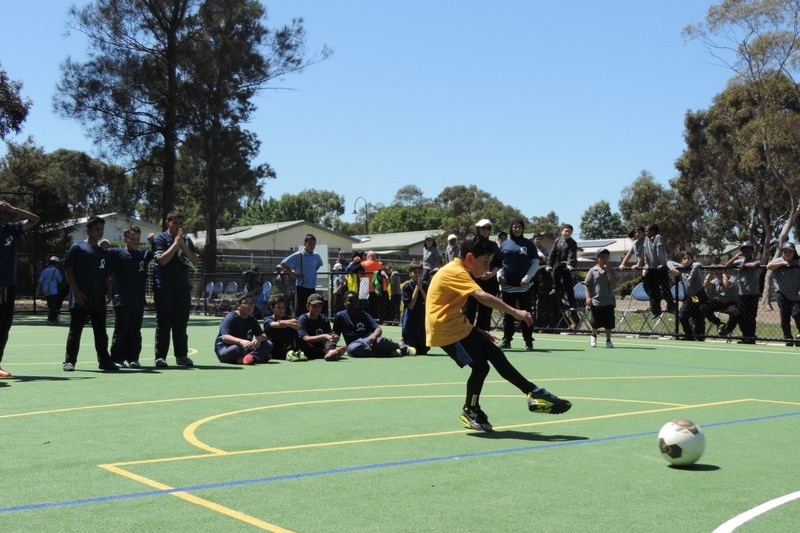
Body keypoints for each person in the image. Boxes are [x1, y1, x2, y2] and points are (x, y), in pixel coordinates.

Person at [425, 233, 572, 432]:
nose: (487, 268)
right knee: (481, 367)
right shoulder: (456, 271)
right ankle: (470, 409)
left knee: (496, 354)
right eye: (485, 262)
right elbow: (483, 297)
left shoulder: (458, 270)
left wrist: (475, 330)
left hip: (457, 325)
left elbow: (448, 307)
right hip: (446, 331)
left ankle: (533, 392)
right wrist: (515, 312)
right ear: (469, 258)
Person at [62, 216, 116, 372]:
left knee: (101, 333)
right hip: (80, 299)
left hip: (98, 299)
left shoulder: (103, 252)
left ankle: (104, 361)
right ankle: (69, 361)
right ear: (88, 230)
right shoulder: (77, 247)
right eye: (96, 229)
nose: (99, 232)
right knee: (75, 331)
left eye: (101, 229)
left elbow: (107, 275)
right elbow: (69, 270)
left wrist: (109, 291)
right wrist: (76, 292)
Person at [152, 210, 200, 368]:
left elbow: (195, 261)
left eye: (180, 223)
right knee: (164, 323)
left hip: (182, 287)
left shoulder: (186, 240)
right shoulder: (160, 239)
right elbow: (162, 261)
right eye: (175, 223)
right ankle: (160, 357)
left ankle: (181, 355)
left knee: (181, 324)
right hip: (164, 287)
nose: (178, 226)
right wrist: (175, 243)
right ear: (168, 223)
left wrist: (183, 245)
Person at [0, 200, 39, 378]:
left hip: (8, 284)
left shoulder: (11, 229)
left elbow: (35, 220)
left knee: (4, 326)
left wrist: (13, 208)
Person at [106, 226, 154, 368]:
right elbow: (101, 251)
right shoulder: (116, 254)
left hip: (138, 300)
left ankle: (133, 358)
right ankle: (117, 358)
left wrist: (152, 241)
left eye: (138, 239)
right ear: (125, 239)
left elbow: (155, 253)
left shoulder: (143, 254)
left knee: (135, 331)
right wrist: (104, 244)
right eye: (132, 239)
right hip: (121, 300)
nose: (135, 241)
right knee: (121, 330)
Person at [333, 290, 415, 357]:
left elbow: (378, 329)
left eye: (355, 301)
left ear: (358, 302)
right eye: (350, 301)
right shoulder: (339, 316)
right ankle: (388, 353)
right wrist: (333, 348)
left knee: (381, 341)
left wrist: (374, 336)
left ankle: (402, 348)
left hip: (369, 340)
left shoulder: (364, 314)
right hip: (355, 344)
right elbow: (336, 335)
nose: (353, 303)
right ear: (344, 302)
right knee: (351, 350)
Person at [497, 218, 538, 351]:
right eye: (514, 227)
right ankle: (507, 340)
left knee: (526, 314)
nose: (517, 229)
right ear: (511, 228)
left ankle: (528, 341)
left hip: (524, 287)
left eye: (519, 227)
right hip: (507, 287)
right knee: (508, 314)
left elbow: (535, 263)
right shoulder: (504, 245)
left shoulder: (529, 244)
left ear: (522, 229)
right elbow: (499, 265)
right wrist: (499, 276)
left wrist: (527, 277)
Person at [463, 219, 501, 332]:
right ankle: (465, 337)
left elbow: (499, 262)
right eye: (483, 228)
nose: (486, 230)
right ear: (478, 229)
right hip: (472, 281)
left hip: (489, 282)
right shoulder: (470, 243)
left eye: (488, 228)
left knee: (485, 313)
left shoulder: (494, 245)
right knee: (468, 310)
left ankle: (483, 340)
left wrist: (492, 273)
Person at [720, 241, 762, 343]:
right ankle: (745, 336)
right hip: (741, 294)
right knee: (740, 315)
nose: (746, 252)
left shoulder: (755, 259)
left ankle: (751, 337)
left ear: (752, 251)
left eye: (748, 250)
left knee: (750, 317)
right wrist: (737, 257)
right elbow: (727, 265)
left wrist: (744, 265)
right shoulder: (740, 261)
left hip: (752, 294)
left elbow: (755, 264)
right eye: (743, 250)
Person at [214, 293, 272, 365]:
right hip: (225, 348)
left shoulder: (251, 318)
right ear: (238, 305)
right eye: (246, 303)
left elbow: (264, 336)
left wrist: (259, 339)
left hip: (245, 348)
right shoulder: (230, 317)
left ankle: (248, 358)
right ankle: (258, 357)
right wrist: (241, 341)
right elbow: (225, 337)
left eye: (251, 303)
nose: (249, 306)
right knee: (236, 349)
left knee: (268, 344)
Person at [278, 233, 323, 318]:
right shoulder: (299, 255)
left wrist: (312, 273)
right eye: (310, 243)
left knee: (312, 309)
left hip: (312, 286)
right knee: (300, 310)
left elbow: (318, 265)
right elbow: (283, 263)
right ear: (304, 244)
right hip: (301, 287)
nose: (312, 246)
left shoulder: (316, 256)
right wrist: (292, 273)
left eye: (314, 244)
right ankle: (299, 329)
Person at [636, 223, 675, 316]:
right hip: (652, 268)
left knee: (665, 289)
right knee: (651, 288)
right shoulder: (646, 240)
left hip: (660, 269)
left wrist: (662, 264)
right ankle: (656, 309)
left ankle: (671, 306)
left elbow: (659, 251)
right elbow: (646, 253)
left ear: (653, 231)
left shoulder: (658, 237)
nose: (645, 233)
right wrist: (646, 265)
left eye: (647, 231)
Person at [669, 251, 707, 341]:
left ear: (692, 259)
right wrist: (672, 269)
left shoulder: (694, 266)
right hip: (689, 297)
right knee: (682, 316)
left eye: (688, 258)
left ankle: (700, 336)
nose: (686, 260)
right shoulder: (681, 267)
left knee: (698, 316)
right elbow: (669, 262)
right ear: (681, 261)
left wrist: (691, 276)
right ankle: (689, 335)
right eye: (684, 259)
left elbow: (697, 264)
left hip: (698, 295)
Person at [584, 248, 619, 348]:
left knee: (609, 324)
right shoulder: (592, 271)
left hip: (609, 301)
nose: (605, 259)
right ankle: (593, 336)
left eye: (606, 257)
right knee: (595, 323)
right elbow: (587, 285)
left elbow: (613, 283)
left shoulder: (611, 270)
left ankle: (608, 340)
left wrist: (607, 270)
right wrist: (587, 297)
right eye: (602, 257)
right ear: (597, 258)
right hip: (596, 301)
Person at [767, 242, 800, 346]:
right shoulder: (778, 261)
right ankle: (788, 338)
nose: (787, 253)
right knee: (785, 318)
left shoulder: (798, 262)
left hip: (796, 294)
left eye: (790, 251)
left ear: (794, 252)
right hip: (782, 294)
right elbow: (769, 266)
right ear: (782, 253)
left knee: (797, 315)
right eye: (785, 251)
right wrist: (783, 263)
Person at [298, 293, 346, 361]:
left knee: (330, 341)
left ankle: (329, 352)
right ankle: (330, 353)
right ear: (307, 307)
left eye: (319, 306)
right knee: (302, 344)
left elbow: (329, 336)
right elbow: (306, 338)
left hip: (321, 345)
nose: (317, 309)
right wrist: (324, 336)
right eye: (314, 306)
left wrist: (335, 338)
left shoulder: (324, 319)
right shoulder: (303, 319)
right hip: (309, 346)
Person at [546, 224, 579, 309]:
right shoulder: (557, 240)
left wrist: (569, 264)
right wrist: (549, 264)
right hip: (559, 264)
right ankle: (564, 302)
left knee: (558, 268)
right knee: (568, 284)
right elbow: (552, 254)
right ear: (561, 231)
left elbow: (571, 255)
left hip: (566, 264)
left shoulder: (572, 242)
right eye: (566, 231)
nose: (567, 233)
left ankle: (556, 287)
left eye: (570, 231)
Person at [401, 261, 429, 355]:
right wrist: (416, 289)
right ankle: (403, 343)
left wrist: (421, 288)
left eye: (419, 272)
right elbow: (411, 305)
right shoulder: (406, 287)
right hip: (410, 320)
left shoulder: (425, 285)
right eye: (415, 272)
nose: (417, 274)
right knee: (412, 349)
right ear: (410, 273)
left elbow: (428, 301)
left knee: (423, 350)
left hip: (422, 319)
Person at [263, 295, 303, 361]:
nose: (281, 310)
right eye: (278, 307)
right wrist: (289, 323)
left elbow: (299, 326)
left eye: (283, 307)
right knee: (286, 327)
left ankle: (293, 352)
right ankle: (289, 352)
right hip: (273, 350)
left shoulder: (287, 318)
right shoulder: (267, 319)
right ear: (272, 308)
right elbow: (276, 325)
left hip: (286, 350)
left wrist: (287, 323)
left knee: (291, 326)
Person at [701, 265, 738, 333]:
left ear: (726, 273)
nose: (718, 275)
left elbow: (727, 285)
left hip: (732, 303)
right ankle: (719, 323)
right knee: (704, 307)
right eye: (716, 273)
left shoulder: (733, 279)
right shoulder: (715, 281)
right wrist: (710, 273)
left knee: (735, 312)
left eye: (720, 273)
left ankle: (727, 330)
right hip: (721, 302)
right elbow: (705, 285)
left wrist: (723, 272)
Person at [37, 256, 64, 325]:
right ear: (57, 263)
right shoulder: (56, 270)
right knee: (53, 305)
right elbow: (60, 280)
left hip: (45, 290)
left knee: (50, 304)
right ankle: (50, 319)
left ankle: (54, 319)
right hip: (52, 290)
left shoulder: (45, 270)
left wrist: (38, 291)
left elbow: (40, 281)